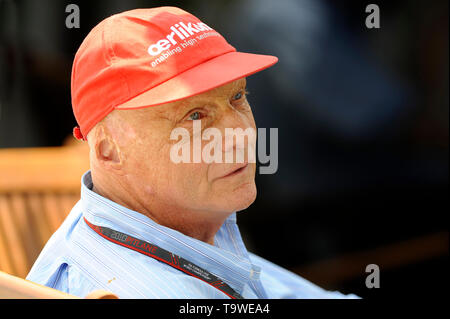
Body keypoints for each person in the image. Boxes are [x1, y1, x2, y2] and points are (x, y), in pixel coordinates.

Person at [27, 6, 357, 299]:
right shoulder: (119, 288)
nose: (239, 135)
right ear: (108, 150)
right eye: (195, 116)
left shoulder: (189, 225)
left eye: (238, 96)